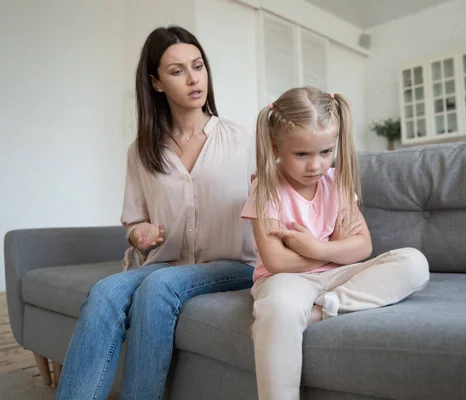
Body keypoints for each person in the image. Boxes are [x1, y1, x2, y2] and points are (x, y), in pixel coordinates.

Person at [56, 25, 255, 399]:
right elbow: (134, 219)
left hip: (233, 264)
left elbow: (276, 199)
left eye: (198, 66)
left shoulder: (244, 139)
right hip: (169, 263)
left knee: (158, 286)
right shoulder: (141, 151)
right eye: (177, 71)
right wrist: (140, 233)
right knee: (105, 291)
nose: (194, 79)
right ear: (157, 83)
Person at [241, 86, 430, 400]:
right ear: (276, 146)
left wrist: (316, 249)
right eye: (302, 154)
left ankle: (321, 311)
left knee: (414, 263)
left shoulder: (337, 182)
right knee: (278, 307)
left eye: (326, 152)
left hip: (336, 277)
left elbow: (363, 247)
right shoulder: (266, 188)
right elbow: (277, 262)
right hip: (286, 280)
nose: (316, 165)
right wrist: (338, 251)